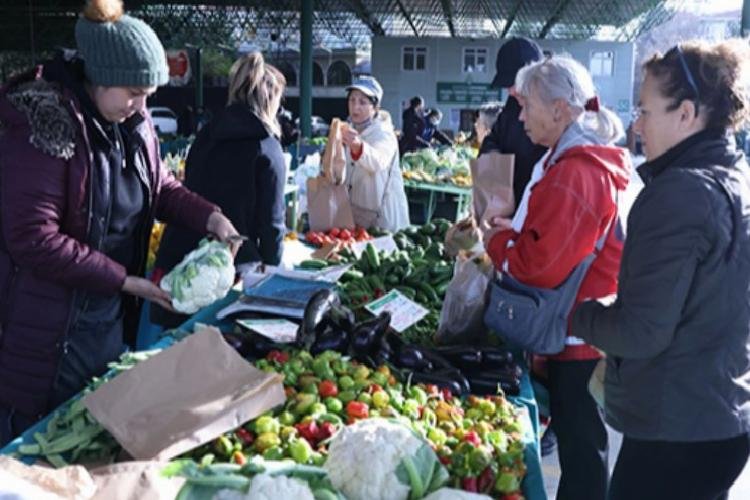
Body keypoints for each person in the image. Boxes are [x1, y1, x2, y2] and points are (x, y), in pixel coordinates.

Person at [0, 0, 241, 446]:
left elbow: (160, 186)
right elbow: (33, 238)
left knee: (90, 443)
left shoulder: (131, 120)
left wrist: (211, 216)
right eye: (133, 93)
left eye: (147, 95)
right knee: (34, 450)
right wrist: (125, 281)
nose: (141, 106)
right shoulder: (43, 124)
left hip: (105, 323)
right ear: (99, 76)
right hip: (45, 331)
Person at [572, 40, 750, 500]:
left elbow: (641, 331)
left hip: (676, 433)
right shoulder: (735, 177)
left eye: (646, 111)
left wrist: (581, 315)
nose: (636, 125)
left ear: (686, 114)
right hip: (719, 417)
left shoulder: (678, 194)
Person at [483, 56, 630, 500]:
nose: (521, 116)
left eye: (527, 106)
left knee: (583, 451)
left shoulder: (577, 172)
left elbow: (539, 264)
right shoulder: (572, 160)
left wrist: (497, 243)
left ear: (561, 110)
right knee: (580, 446)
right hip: (582, 324)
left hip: (578, 334)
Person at [152, 52, 288, 328]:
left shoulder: (206, 134)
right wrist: (270, 274)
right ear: (271, 100)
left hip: (177, 256)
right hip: (223, 270)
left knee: (168, 354)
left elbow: (189, 191)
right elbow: (271, 224)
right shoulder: (267, 148)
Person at [480, 36, 547, 208]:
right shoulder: (512, 106)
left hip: (538, 207)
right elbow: (493, 138)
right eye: (507, 85)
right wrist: (492, 154)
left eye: (514, 83)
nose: (510, 91)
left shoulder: (555, 111)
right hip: (507, 204)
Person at [342, 76, 410, 232]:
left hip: (382, 219)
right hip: (356, 214)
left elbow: (377, 161)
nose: (355, 107)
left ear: (375, 107)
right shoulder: (349, 128)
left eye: (362, 102)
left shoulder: (384, 133)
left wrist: (358, 146)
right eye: (352, 100)